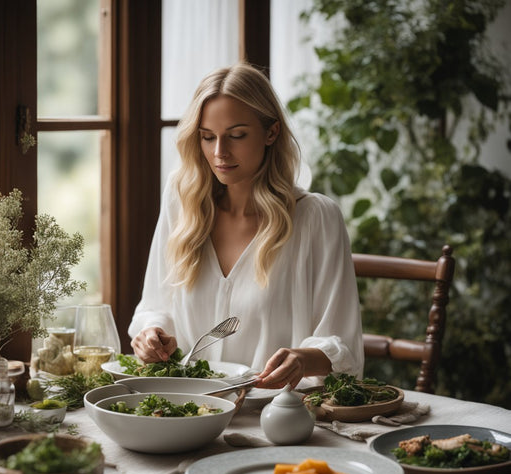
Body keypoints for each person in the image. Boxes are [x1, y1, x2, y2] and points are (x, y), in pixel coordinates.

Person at [128, 62, 364, 389]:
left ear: (271, 132)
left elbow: (344, 346)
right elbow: (154, 306)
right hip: (190, 409)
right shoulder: (182, 202)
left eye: (237, 136)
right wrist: (151, 334)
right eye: (208, 137)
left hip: (277, 418)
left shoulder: (316, 219)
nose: (220, 152)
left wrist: (302, 359)